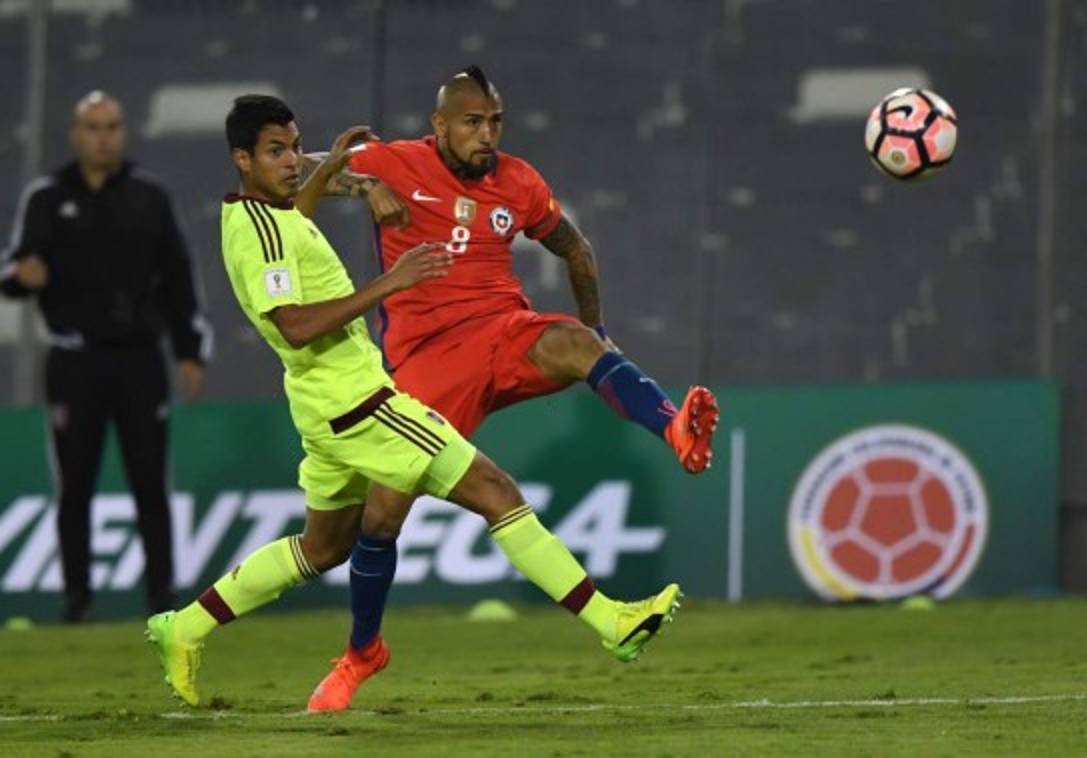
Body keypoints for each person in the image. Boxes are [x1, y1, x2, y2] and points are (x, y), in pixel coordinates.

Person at [144, 94, 681, 708]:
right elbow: (294, 325)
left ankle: (184, 627)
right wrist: (390, 283)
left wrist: (329, 171)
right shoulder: (260, 233)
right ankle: (611, 621)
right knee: (496, 492)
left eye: (294, 147)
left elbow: (295, 229)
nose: (291, 161)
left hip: (322, 404)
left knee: (323, 547)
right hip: (359, 404)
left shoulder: (265, 214)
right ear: (242, 159)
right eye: (275, 152)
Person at [302, 65, 717, 712]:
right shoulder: (393, 161)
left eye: (495, 122)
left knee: (577, 343)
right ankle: (361, 655)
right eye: (472, 123)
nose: (487, 134)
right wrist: (363, 185)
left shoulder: (519, 182)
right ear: (439, 125)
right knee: (380, 517)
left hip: (502, 331)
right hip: (427, 359)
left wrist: (599, 333)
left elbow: (576, 250)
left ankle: (674, 429)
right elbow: (297, 173)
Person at [0, 91, 211, 622]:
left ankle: (162, 597)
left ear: (123, 133)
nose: (103, 137)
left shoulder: (149, 196)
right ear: (76, 134)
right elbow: (14, 269)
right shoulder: (46, 196)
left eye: (112, 126)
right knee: (74, 484)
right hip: (74, 360)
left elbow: (180, 277)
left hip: (141, 358)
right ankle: (77, 598)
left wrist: (189, 351)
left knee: (150, 481)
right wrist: (23, 277)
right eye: (93, 127)